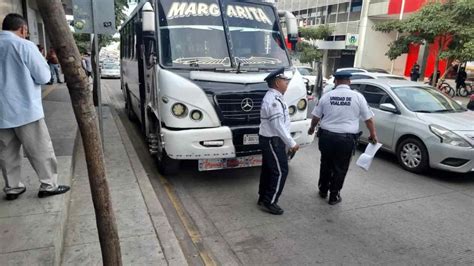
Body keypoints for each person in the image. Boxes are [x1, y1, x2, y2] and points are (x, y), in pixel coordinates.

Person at [0, 13, 70, 200]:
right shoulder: (24, 46)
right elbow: (44, 77)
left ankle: (13, 187)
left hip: (1, 113)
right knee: (40, 150)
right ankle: (48, 184)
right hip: (25, 109)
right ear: (22, 29)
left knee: (6, 153)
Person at [308, 71, 377, 205]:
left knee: (326, 164)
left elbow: (316, 117)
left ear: (335, 81)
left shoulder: (327, 96)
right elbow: (368, 119)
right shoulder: (358, 97)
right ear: (349, 82)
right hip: (346, 140)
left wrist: (311, 129)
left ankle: (323, 190)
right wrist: (373, 134)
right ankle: (334, 195)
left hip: (326, 137)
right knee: (341, 167)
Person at [258, 67, 299, 215]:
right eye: (284, 81)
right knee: (281, 171)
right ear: (277, 82)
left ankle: (263, 197)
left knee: (269, 169)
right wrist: (292, 143)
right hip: (272, 140)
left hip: (272, 139)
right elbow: (278, 125)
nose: (286, 83)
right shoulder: (274, 100)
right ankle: (270, 201)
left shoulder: (275, 97)